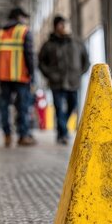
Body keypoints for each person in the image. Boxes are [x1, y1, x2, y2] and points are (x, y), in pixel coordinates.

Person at [38, 16, 90, 145]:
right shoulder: (48, 45)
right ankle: (64, 134)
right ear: (55, 27)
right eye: (60, 24)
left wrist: (79, 74)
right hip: (56, 82)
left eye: (64, 24)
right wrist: (49, 74)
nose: (63, 27)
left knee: (73, 106)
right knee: (59, 108)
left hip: (73, 81)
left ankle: (62, 129)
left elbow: (86, 60)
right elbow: (41, 62)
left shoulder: (77, 42)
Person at [0, 7, 36, 147]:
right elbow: (29, 54)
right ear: (18, 17)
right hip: (21, 76)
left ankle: (7, 135)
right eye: (23, 17)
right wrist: (32, 73)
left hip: (3, 76)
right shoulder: (24, 31)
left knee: (4, 106)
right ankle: (23, 136)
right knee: (23, 106)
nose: (24, 20)